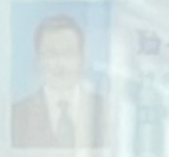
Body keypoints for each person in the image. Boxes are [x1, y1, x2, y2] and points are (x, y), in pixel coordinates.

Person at [9, 10, 104, 148]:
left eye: (69, 53)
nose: (60, 63)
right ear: (37, 61)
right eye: (51, 54)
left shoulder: (104, 110)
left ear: (82, 59)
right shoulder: (17, 115)